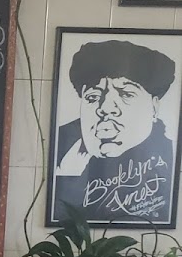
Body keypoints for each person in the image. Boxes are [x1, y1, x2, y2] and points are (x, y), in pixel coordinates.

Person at [52, 38, 177, 225]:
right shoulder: (62, 150)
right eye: (93, 97)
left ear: (154, 107)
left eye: (126, 94)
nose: (106, 108)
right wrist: (67, 175)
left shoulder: (168, 158)